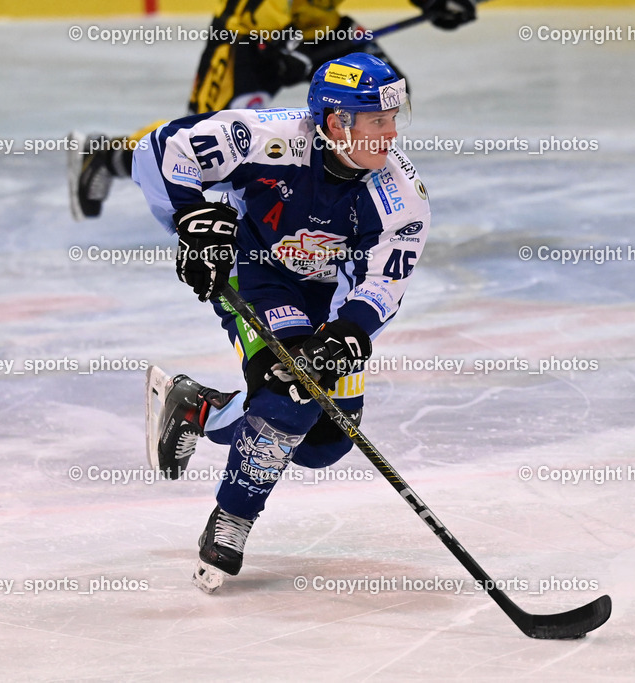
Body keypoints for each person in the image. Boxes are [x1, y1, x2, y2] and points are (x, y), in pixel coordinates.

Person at [133, 52, 431, 593]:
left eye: (394, 119)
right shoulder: (268, 138)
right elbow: (158, 150)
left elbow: (385, 281)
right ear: (337, 122)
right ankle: (233, 519)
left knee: (324, 442)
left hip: (329, 302)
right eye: (378, 121)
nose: (391, 135)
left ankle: (200, 408)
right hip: (259, 277)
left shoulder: (398, 194)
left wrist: (350, 333)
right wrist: (191, 219)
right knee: (288, 395)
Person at [68, 0, 474, 220]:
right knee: (202, 132)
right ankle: (110, 155)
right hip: (249, 37)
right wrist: (282, 48)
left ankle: (347, 191)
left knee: (385, 92)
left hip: (320, 26)